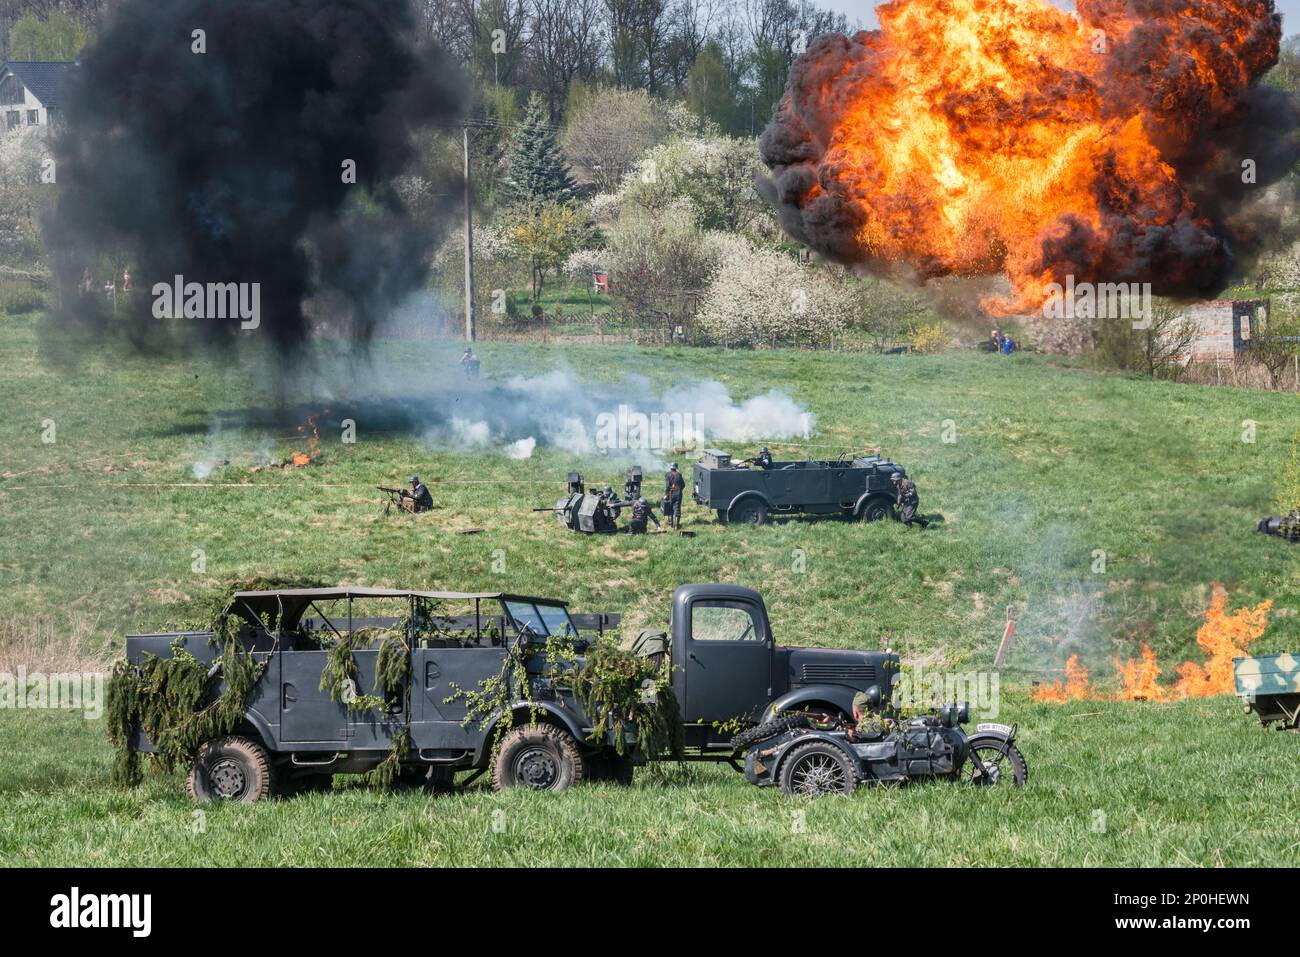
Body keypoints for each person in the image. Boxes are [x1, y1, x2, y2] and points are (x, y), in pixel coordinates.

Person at [663, 463, 685, 529]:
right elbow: (683, 485)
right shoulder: (679, 474)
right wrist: (679, 490)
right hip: (678, 494)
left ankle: (670, 524)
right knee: (677, 509)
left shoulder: (667, 475)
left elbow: (667, 486)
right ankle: (676, 526)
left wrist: (666, 495)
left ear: (671, 467)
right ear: (676, 468)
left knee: (670, 508)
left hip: (670, 494)